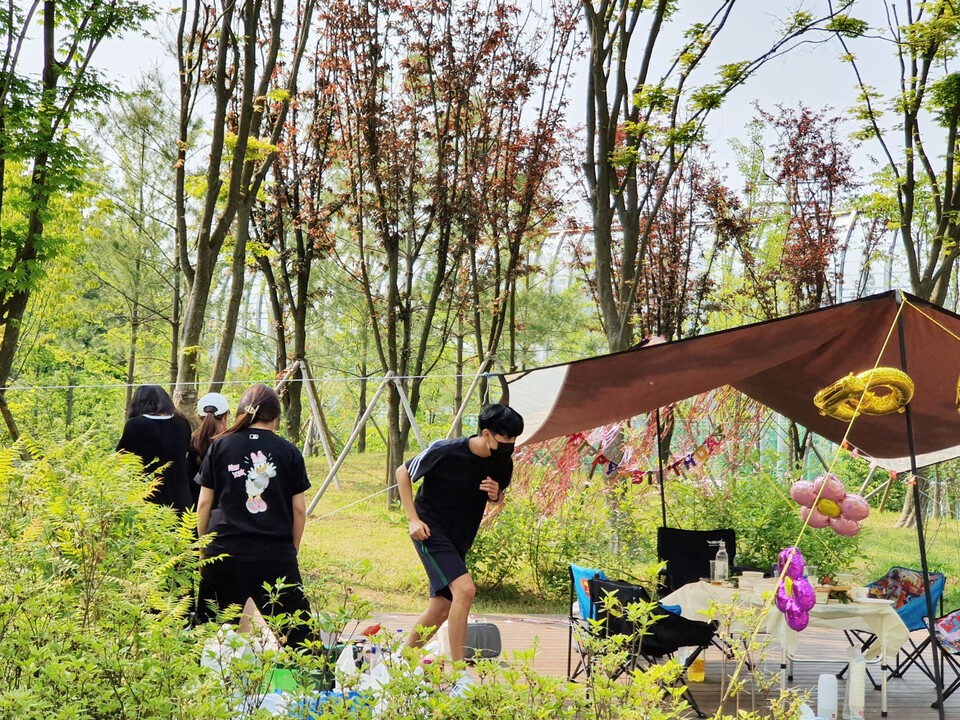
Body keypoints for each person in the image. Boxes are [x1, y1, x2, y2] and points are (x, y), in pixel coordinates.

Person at [396, 403, 523, 692]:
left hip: (459, 538)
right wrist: (412, 519)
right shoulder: (446, 450)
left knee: (441, 608)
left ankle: (399, 663)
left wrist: (496, 496)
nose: (509, 449)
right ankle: (459, 676)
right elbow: (401, 472)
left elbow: (498, 499)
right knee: (465, 590)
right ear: (487, 434)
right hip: (429, 529)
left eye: (513, 443)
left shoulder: (503, 462)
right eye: (505, 443)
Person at [195, 383, 313, 647]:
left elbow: (204, 504)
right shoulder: (289, 452)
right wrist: (291, 551)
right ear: (276, 418)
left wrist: (203, 549)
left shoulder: (219, 447)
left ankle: (201, 687)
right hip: (274, 554)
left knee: (210, 639)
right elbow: (299, 510)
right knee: (299, 639)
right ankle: (313, 683)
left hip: (224, 552)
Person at [116, 384, 193, 512]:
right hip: (181, 501)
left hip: (147, 502)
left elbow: (122, 463)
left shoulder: (135, 426)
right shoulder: (182, 423)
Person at [187, 392, 231, 507]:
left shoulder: (190, 442)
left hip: (193, 512)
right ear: (227, 415)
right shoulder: (232, 443)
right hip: (224, 512)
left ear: (198, 417)